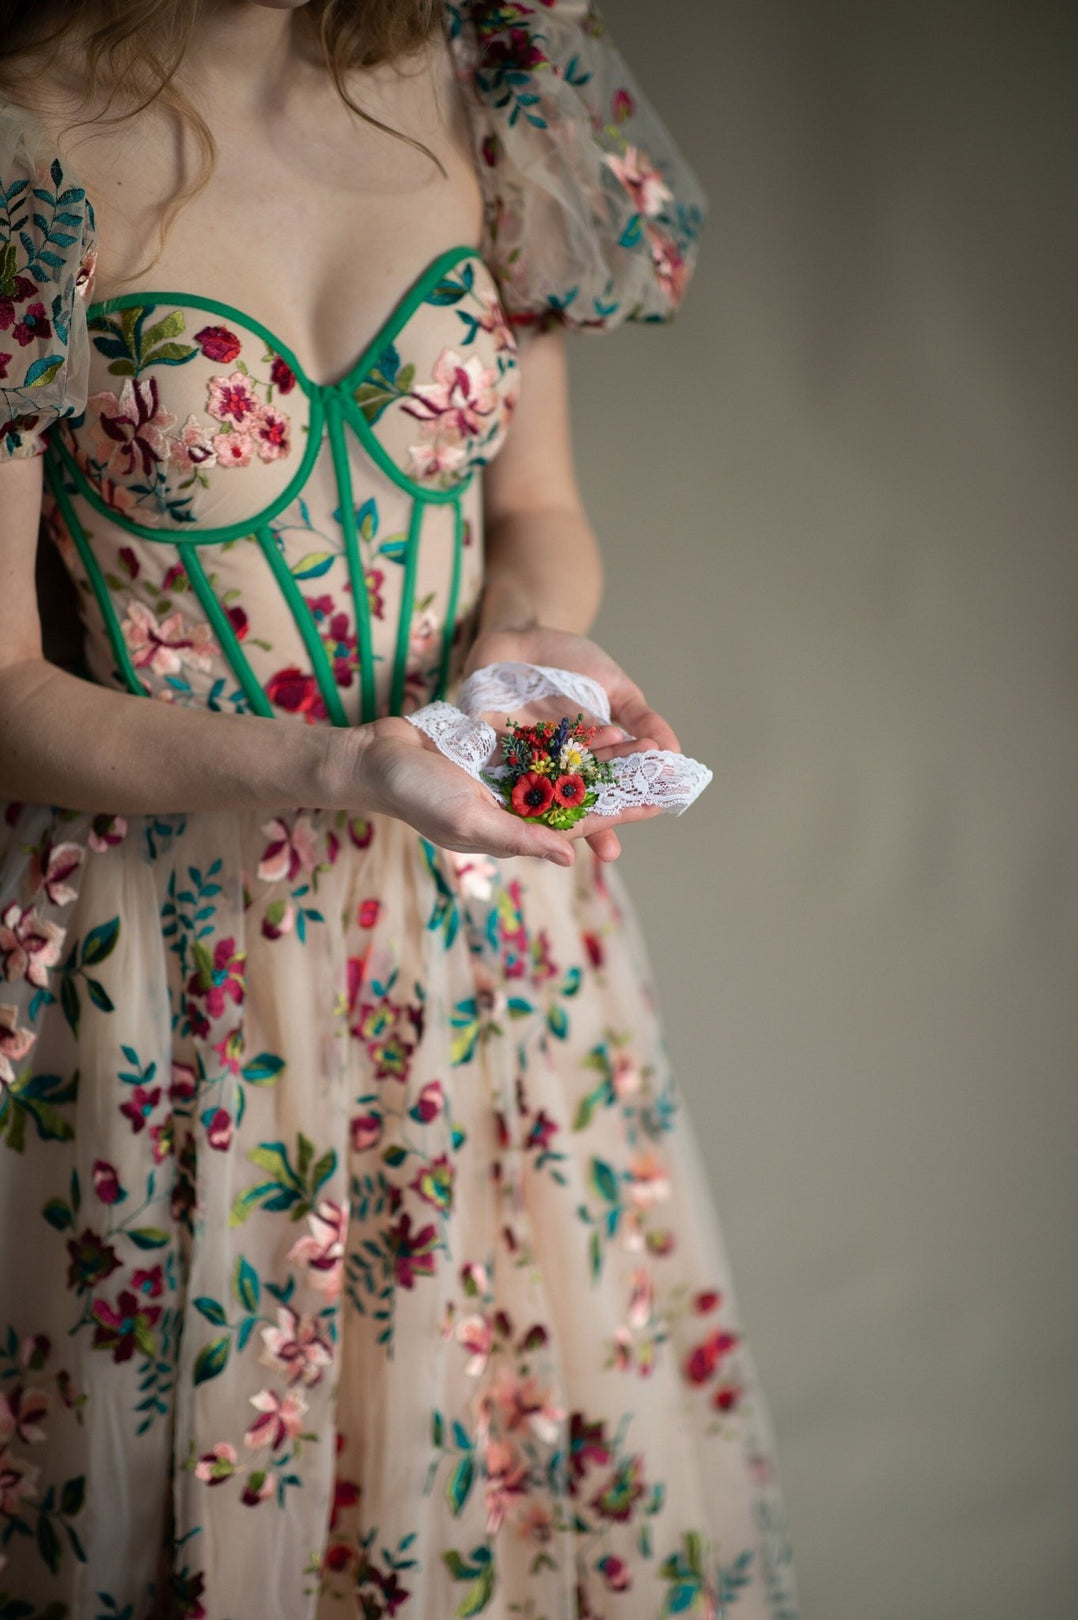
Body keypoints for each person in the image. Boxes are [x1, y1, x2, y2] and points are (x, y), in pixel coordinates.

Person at [0, 1, 801, 1614]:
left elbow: (545, 509)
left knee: (508, 1459)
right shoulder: (24, 148)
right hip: (177, 975)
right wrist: (347, 766)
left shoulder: (487, 76)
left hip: (488, 930)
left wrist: (525, 641)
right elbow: (5, 691)